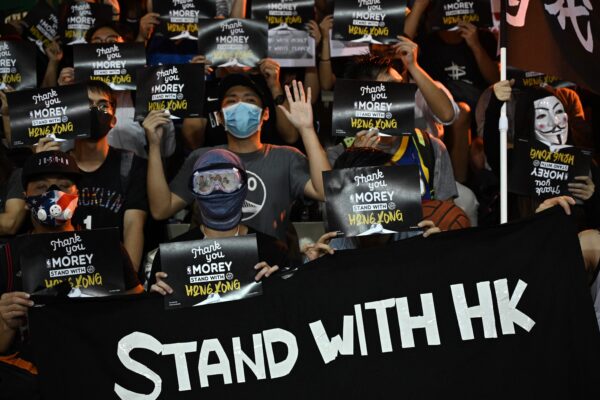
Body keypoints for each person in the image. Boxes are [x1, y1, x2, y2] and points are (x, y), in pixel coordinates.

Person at [0, 150, 142, 399]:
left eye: (64, 186)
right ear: (25, 199)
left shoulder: (104, 248)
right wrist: (5, 321)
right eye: (41, 187)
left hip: (100, 370)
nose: (53, 194)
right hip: (36, 380)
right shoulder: (8, 256)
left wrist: (158, 297)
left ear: (77, 195)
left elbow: (139, 313)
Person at [144, 77, 331, 246]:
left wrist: (306, 129)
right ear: (219, 117)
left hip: (270, 263)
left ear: (265, 114)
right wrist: (154, 145)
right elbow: (161, 209)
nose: (240, 105)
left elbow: (325, 191)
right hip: (215, 264)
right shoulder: (203, 158)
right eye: (232, 101)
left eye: (250, 100)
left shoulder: (287, 157)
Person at [36, 81, 149, 272]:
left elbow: (133, 226)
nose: (95, 110)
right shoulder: (56, 167)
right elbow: (42, 228)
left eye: (103, 105)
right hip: (63, 270)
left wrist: (127, 282)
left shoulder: (131, 165)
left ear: (114, 120)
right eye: (87, 104)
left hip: (112, 273)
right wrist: (39, 170)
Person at [148, 149, 288, 295]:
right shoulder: (171, 259)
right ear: (195, 190)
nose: (217, 190)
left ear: (244, 185)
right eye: (206, 182)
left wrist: (275, 288)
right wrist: (157, 299)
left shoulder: (273, 252)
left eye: (227, 181)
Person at [484, 80, 599, 228]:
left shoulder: (585, 165)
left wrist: (593, 198)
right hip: (530, 244)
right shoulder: (516, 163)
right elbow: (493, 147)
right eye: (542, 116)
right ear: (529, 122)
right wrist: (495, 103)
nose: (555, 122)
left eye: (558, 112)